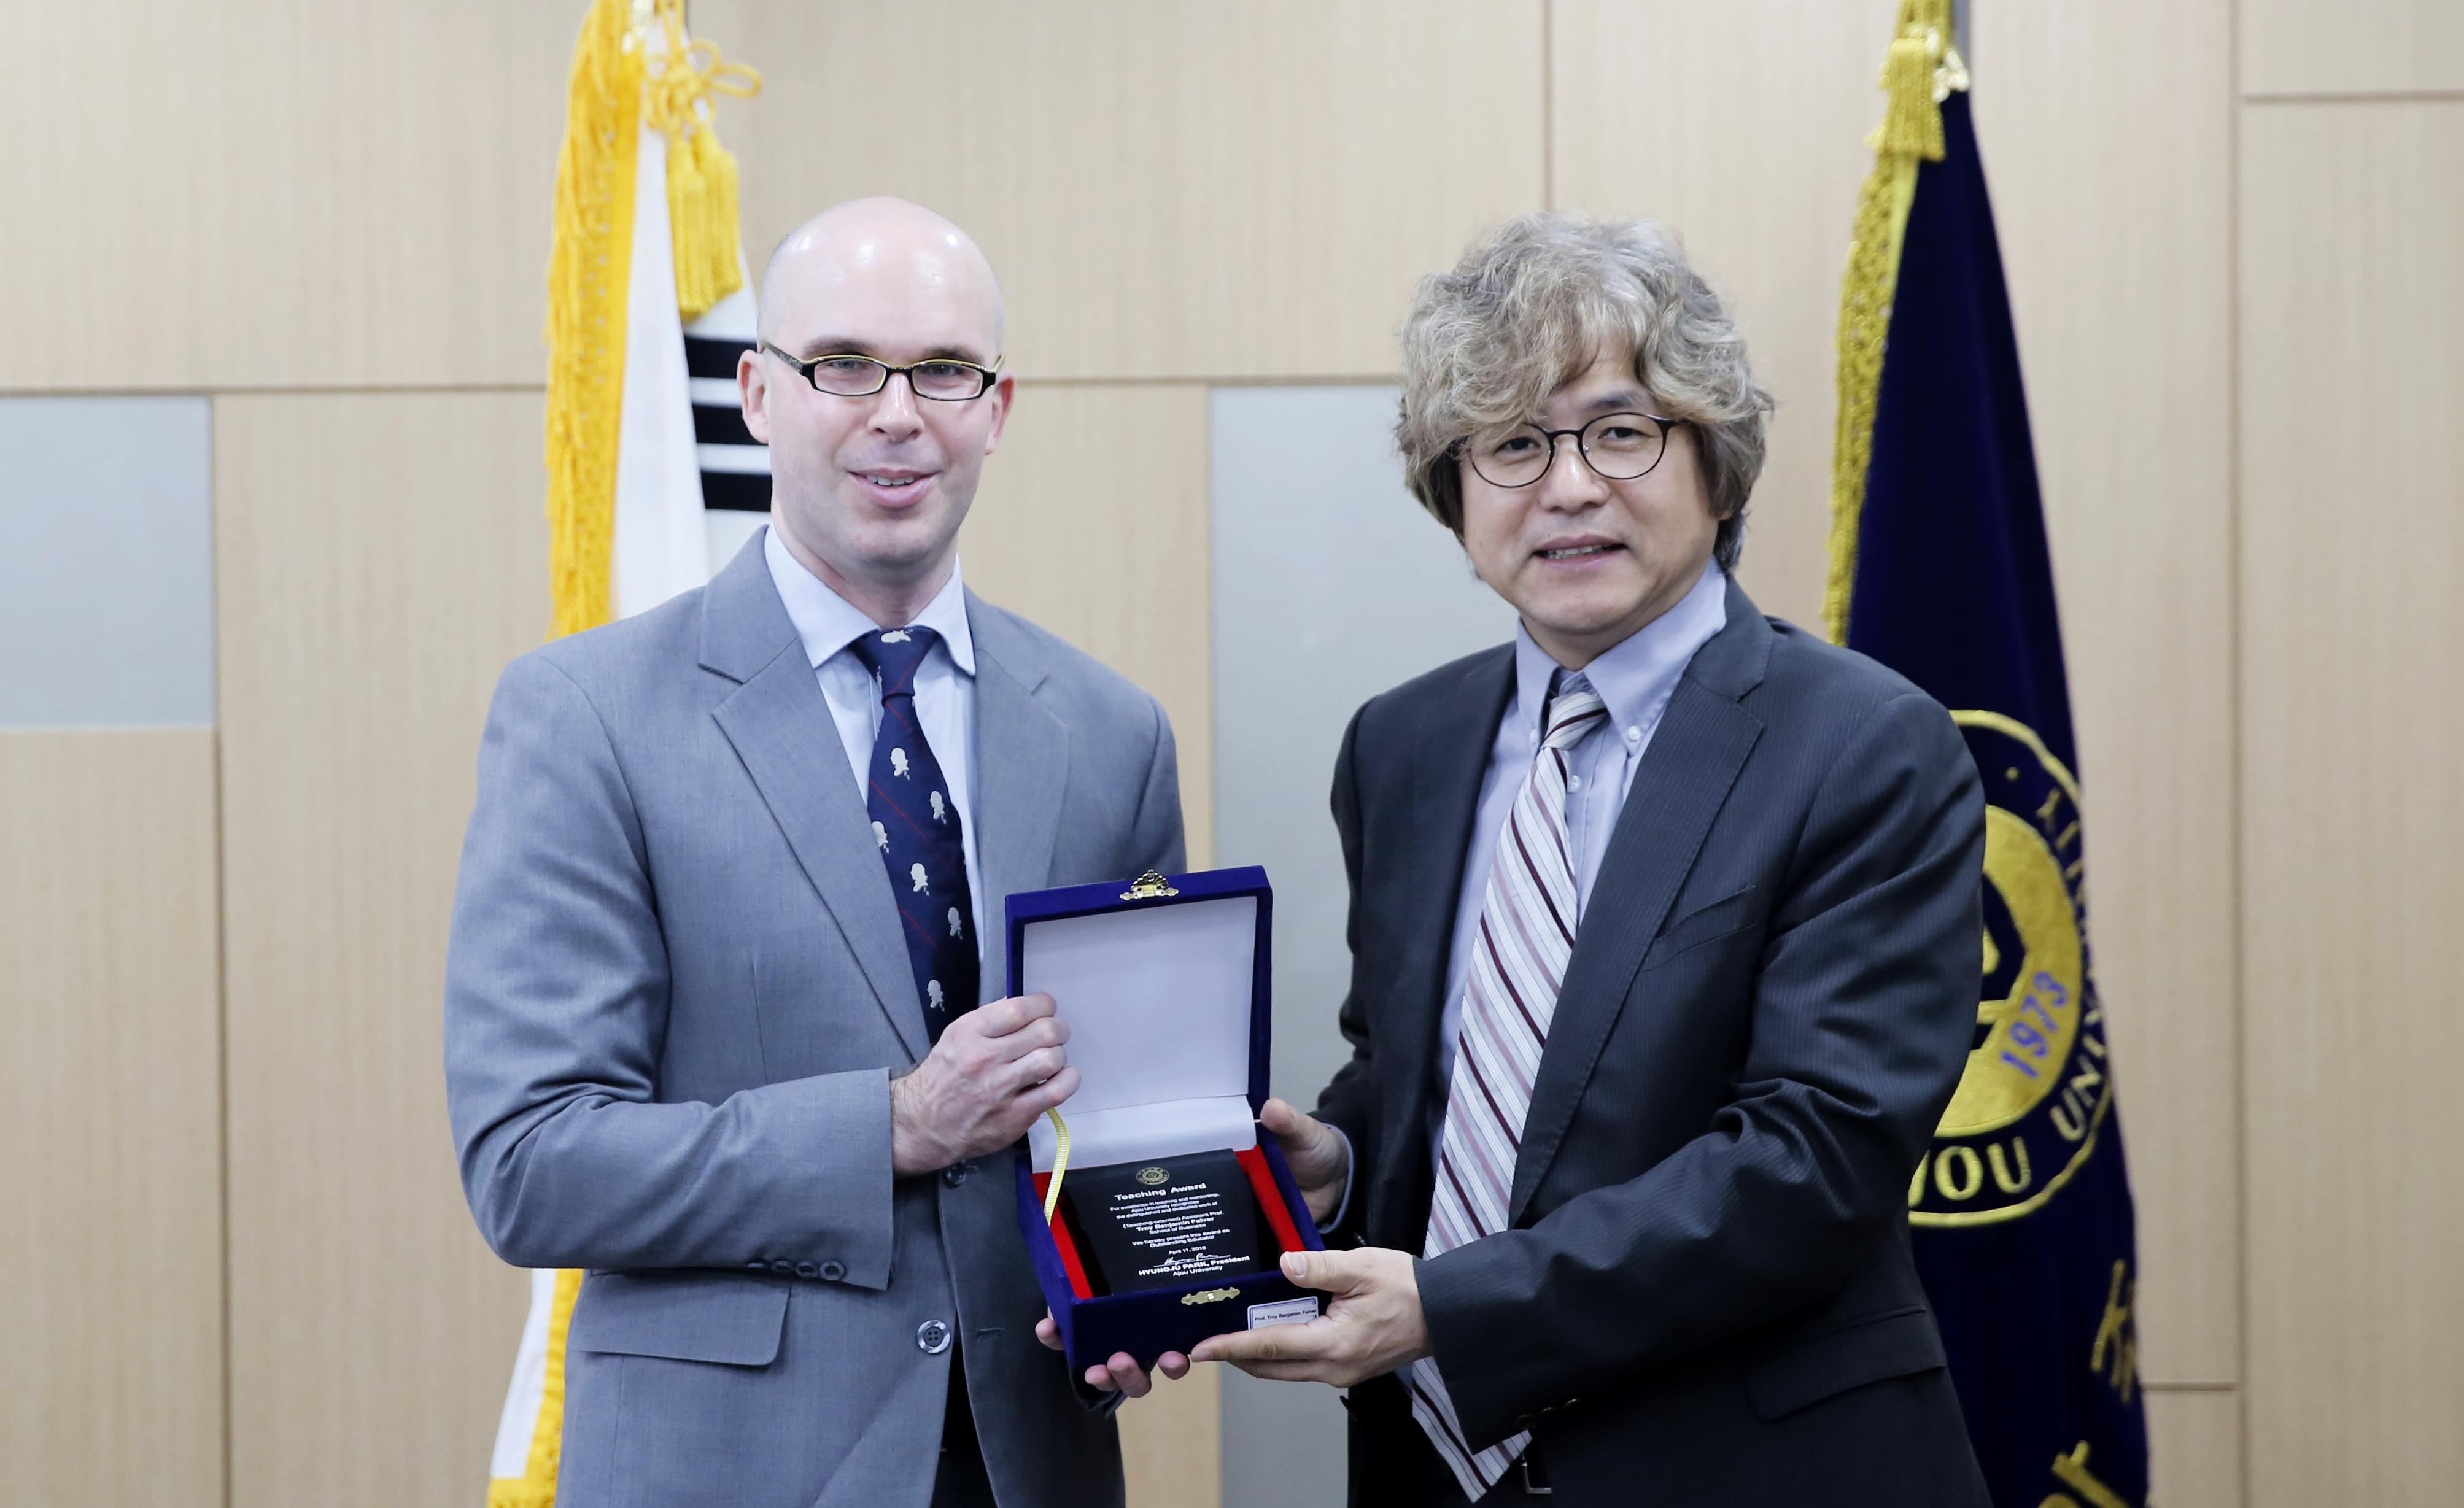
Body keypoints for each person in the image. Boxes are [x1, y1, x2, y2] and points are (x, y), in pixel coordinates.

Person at [1194, 213, 1993, 1506]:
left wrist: (1456, 1305)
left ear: (1718, 466)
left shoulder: (1865, 745)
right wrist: (1338, 1169)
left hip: (1755, 1466)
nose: (1566, 487)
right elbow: (1422, 1072)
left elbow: (1816, 1160)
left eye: (1621, 432)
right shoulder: (1403, 746)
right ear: (1453, 495)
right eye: (1511, 444)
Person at [444, 197, 1184, 1508]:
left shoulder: (1111, 733)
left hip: (1028, 1465)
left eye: (944, 370)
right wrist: (892, 1127)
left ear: (998, 406)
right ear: (758, 396)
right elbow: (533, 1163)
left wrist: (1150, 1273)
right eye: (842, 364)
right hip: (724, 1469)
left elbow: (1123, 1117)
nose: (896, 413)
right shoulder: (589, 715)